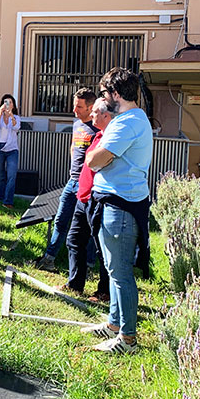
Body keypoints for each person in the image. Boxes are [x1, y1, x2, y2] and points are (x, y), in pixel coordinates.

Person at [80, 67, 153, 354]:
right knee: (112, 269)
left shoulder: (126, 124)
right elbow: (100, 160)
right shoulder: (132, 120)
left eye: (104, 93)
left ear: (116, 94)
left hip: (119, 207)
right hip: (117, 202)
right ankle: (113, 323)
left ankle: (128, 339)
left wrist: (98, 160)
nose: (102, 99)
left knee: (120, 273)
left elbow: (94, 159)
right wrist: (101, 161)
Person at [36, 88, 100, 271]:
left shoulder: (99, 128)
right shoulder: (76, 125)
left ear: (90, 107)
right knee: (61, 220)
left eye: (79, 107)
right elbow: (73, 147)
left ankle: (87, 265)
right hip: (72, 181)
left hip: (89, 185)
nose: (75, 111)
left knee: (87, 227)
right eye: (74, 106)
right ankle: (49, 258)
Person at [58, 97, 112, 302]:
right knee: (74, 240)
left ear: (106, 115)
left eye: (95, 112)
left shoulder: (110, 139)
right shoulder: (98, 135)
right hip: (82, 196)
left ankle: (104, 292)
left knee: (101, 247)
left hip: (97, 198)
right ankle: (75, 284)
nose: (92, 115)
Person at [0, 94, 20, 208]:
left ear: (13, 105)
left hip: (11, 148)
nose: (8, 104)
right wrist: (1, 114)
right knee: (0, 175)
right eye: (5, 102)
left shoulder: (16, 117)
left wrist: (11, 115)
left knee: (12, 175)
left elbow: (16, 128)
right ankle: (1, 198)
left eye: (10, 102)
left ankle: (8, 201)